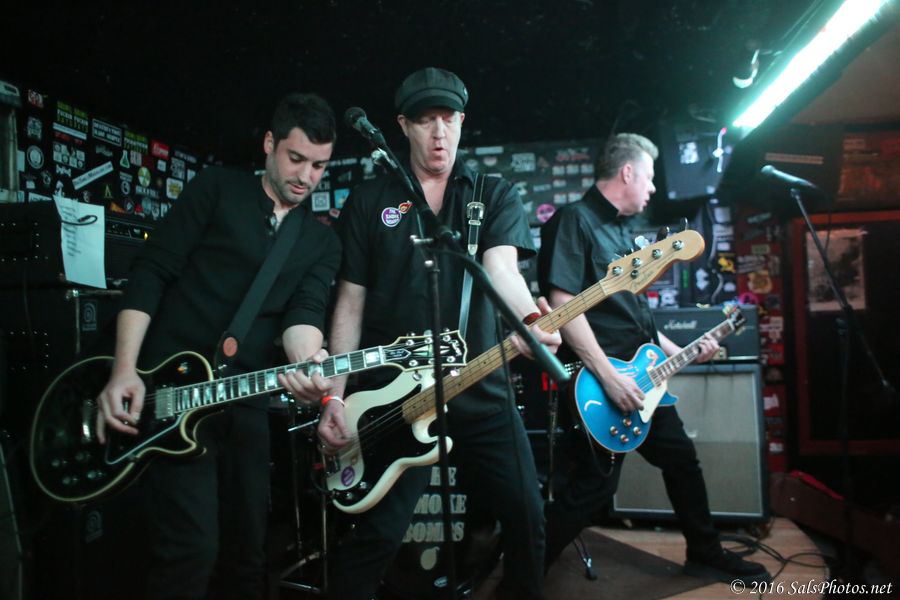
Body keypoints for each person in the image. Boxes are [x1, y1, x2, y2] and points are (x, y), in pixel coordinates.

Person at [316, 67, 560, 600]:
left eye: (447, 119)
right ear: (403, 126)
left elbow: (502, 271)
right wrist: (335, 393)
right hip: (396, 398)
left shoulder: (491, 194)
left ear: (462, 121)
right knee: (377, 534)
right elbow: (350, 303)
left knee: (527, 515)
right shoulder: (370, 201)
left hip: (481, 387)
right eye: (425, 120)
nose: (438, 133)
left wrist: (529, 320)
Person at [95, 93, 340, 599]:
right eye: (296, 159)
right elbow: (152, 272)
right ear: (270, 144)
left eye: (318, 166)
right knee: (189, 553)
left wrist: (309, 362)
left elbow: (305, 314)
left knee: (248, 560)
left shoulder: (320, 242)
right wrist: (124, 369)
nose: (306, 177)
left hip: (242, 406)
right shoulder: (217, 189)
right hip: (167, 393)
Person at [537, 132, 771, 585]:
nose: (654, 188)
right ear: (627, 172)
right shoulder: (574, 220)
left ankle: (705, 552)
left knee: (681, 461)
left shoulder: (623, 233)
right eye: (648, 177)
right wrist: (609, 377)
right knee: (594, 487)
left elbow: (633, 319)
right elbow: (564, 306)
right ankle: (524, 573)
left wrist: (679, 352)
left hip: (642, 378)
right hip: (601, 381)